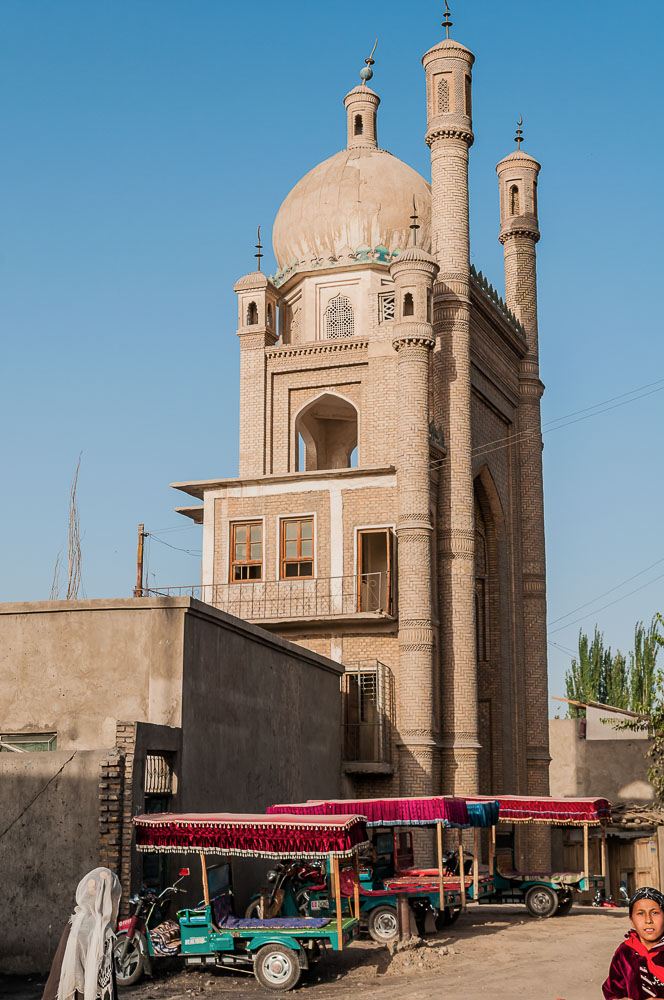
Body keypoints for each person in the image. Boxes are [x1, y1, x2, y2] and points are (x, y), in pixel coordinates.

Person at [42, 867, 121, 1000]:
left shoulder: (74, 921)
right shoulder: (103, 931)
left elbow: (59, 966)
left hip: (64, 990)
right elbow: (106, 978)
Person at [603, 886, 664, 999]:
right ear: (631, 920)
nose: (648, 920)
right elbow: (613, 990)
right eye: (640, 913)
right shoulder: (624, 952)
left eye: (655, 912)